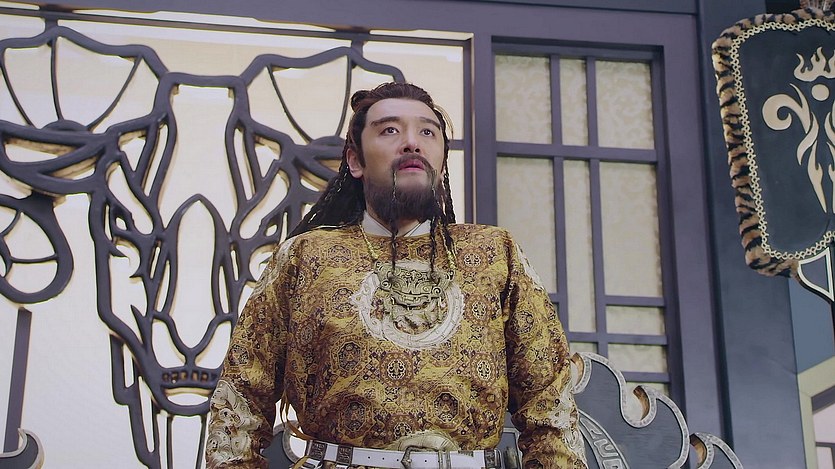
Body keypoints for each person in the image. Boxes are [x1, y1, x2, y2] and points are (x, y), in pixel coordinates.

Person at [205, 82, 587, 469]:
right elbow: (241, 402)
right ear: (355, 161)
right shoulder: (305, 257)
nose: (412, 143)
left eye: (427, 132)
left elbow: (550, 406)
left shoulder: (495, 253)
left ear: (441, 160)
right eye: (390, 130)